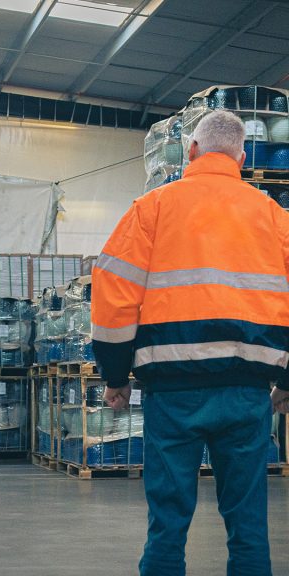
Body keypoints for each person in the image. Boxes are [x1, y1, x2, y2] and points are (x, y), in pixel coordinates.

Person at [91, 109, 289, 576]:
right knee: (248, 526)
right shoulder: (274, 218)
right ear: (241, 157)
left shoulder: (152, 209)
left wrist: (116, 376)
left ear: (192, 150)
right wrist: (286, 380)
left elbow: (113, 294)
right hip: (247, 393)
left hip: (172, 395)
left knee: (167, 525)